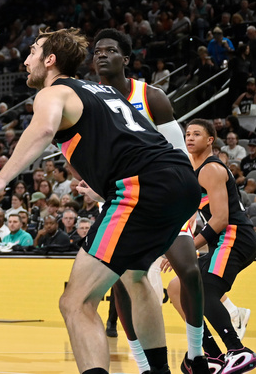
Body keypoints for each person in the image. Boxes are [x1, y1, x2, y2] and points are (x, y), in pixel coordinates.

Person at [0, 28, 201, 374]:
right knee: (135, 277)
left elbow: (44, 130)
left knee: (75, 302)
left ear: (50, 60)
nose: (25, 59)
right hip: (180, 182)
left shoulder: (53, 92)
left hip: (142, 186)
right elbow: (134, 141)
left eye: (32, 51)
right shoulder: (103, 91)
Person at [92, 29, 209, 373]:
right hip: (123, 197)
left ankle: (196, 353)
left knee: (188, 269)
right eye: (97, 51)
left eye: (110, 50)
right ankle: (144, 364)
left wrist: (187, 200)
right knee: (123, 282)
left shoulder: (152, 96)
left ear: (125, 59)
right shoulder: (91, 100)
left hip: (163, 194)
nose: (101, 55)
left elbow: (179, 153)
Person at [167, 120, 256, 374]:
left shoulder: (211, 170)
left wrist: (189, 247)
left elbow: (220, 219)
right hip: (222, 239)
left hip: (235, 237)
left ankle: (237, 349)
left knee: (205, 289)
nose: (190, 138)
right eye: (187, 134)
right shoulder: (191, 169)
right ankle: (212, 353)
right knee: (177, 288)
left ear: (210, 140)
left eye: (197, 134)